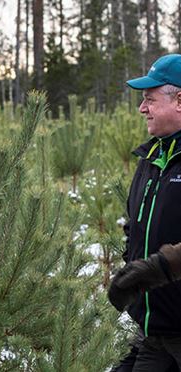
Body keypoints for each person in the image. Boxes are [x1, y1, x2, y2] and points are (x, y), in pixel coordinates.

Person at [107, 54, 181, 371]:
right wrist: (130, 266)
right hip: (154, 334)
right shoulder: (151, 158)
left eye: (149, 99)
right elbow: (136, 229)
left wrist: (153, 270)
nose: (142, 108)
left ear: (179, 100)